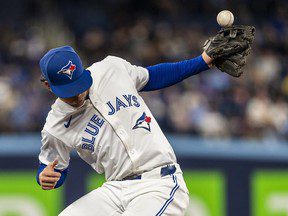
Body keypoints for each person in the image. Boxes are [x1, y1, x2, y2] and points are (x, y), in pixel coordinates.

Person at [37, 26, 254, 215]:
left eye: (79, 85)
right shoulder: (55, 125)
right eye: (69, 92)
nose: (78, 95)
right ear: (47, 85)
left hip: (158, 183)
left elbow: (153, 76)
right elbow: (52, 168)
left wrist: (203, 61)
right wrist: (45, 177)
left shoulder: (111, 69)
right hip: (114, 189)